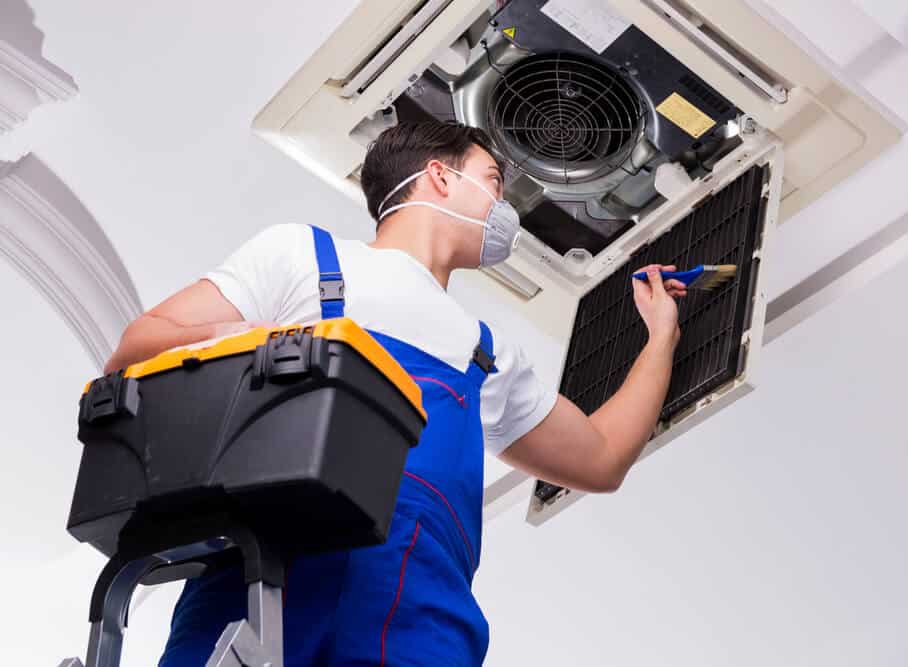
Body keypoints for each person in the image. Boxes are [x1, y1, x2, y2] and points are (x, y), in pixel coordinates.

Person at [104, 121, 687, 666]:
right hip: (260, 587)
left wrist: (661, 337)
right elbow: (138, 350)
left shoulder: (487, 353)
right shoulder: (305, 257)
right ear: (440, 175)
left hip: (420, 615)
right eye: (492, 182)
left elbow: (603, 458)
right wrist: (264, 342)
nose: (504, 209)